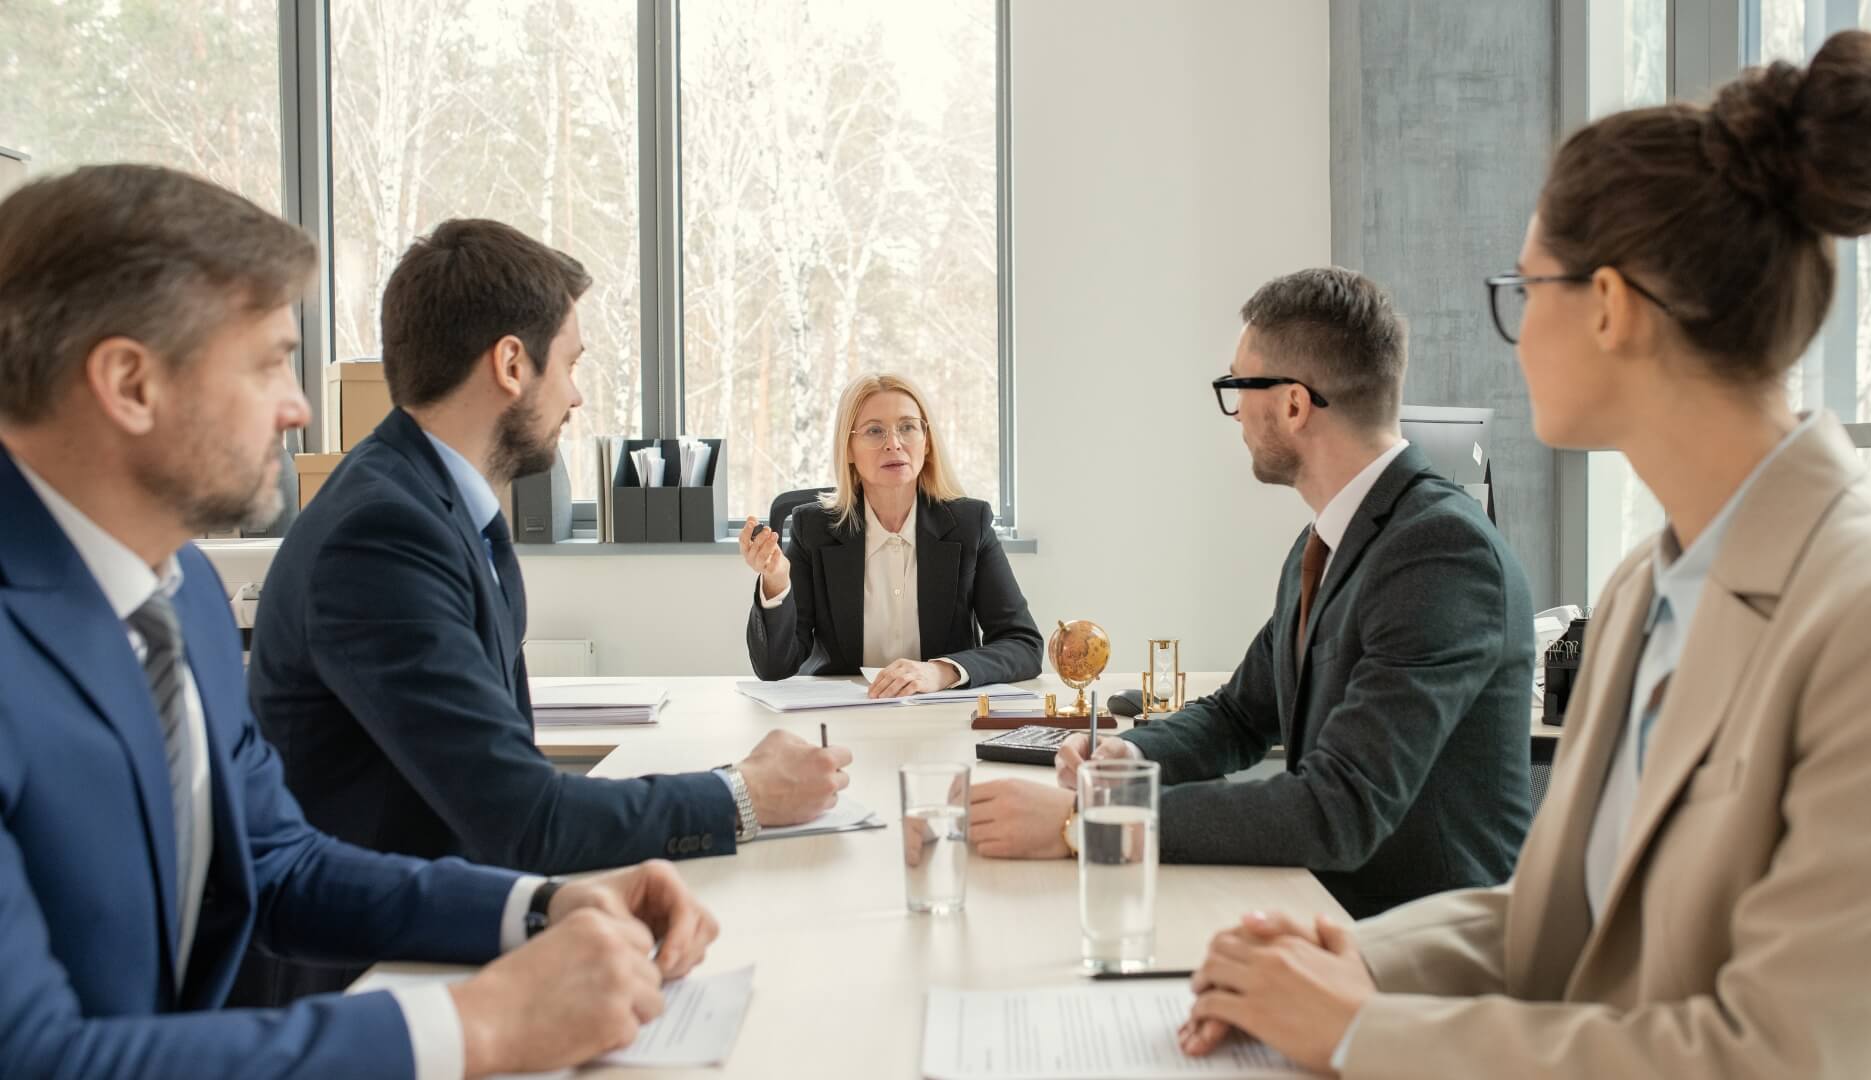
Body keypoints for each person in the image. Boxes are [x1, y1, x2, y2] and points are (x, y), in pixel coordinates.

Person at [1179, 31, 1871, 1078]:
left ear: (1610, 307)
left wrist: (1360, 1028)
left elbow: (1779, 1056)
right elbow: (1558, 915)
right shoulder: (1641, 593)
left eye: (1523, 292)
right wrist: (1352, 958)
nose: (1514, 334)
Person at [0, 163, 721, 1078]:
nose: (299, 407)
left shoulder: (175, 592)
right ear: (131, 384)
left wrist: (539, 906)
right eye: (268, 362)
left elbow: (280, 864)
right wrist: (478, 1028)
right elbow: (33, 1058)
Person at [241, 219, 848, 1002]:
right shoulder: (381, 534)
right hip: (371, 981)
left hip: (452, 929)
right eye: (570, 363)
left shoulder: (431, 506)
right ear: (510, 363)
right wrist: (743, 793)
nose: (576, 394)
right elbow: (521, 818)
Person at [968, 268, 1535, 919]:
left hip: (1423, 951)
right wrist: (1132, 753)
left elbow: (1337, 809)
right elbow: (1240, 716)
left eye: (1238, 387)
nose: (1234, 413)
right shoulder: (1324, 540)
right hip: (1326, 912)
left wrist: (1086, 818)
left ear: (1294, 405)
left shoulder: (1441, 556)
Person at [741, 372, 1042, 698]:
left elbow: (1023, 645)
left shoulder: (970, 524)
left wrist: (940, 671)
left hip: (940, 712)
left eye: (908, 427)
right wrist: (776, 583)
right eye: (874, 431)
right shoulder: (814, 529)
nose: (894, 443)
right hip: (841, 717)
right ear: (849, 449)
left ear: (926, 443)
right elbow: (774, 667)